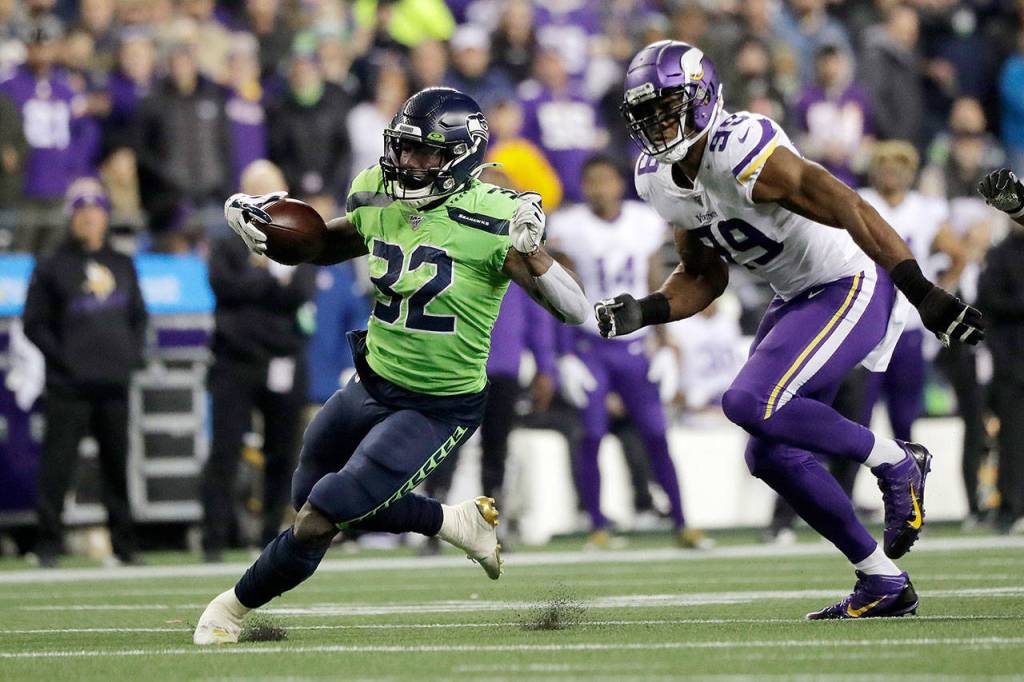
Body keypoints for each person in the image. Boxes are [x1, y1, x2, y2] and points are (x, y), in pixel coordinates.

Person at [597, 41, 983, 620]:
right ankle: (881, 579)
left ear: (702, 98)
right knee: (769, 455)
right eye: (646, 114)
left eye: (667, 108)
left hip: (850, 281)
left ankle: (896, 459)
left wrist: (919, 289)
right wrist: (647, 311)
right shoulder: (657, 179)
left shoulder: (740, 147)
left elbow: (850, 206)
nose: (657, 124)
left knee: (748, 401)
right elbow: (703, 275)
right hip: (796, 298)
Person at [193, 87, 589, 644]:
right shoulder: (376, 192)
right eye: (403, 147)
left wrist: (535, 253)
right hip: (373, 380)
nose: (407, 162)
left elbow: (575, 310)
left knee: (323, 513)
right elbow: (329, 245)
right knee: (309, 493)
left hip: (438, 403)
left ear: (461, 156)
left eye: (425, 152)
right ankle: (455, 522)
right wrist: (270, 231)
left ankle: (230, 610)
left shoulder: (496, 217)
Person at [548, 154, 709, 549]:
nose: (600, 189)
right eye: (592, 181)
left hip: (636, 345)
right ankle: (598, 525)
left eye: (606, 180)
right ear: (583, 186)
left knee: (657, 433)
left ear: (619, 184)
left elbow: (656, 282)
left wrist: (665, 341)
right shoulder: (570, 227)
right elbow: (560, 292)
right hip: (590, 344)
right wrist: (564, 353)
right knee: (592, 434)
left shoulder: (642, 221)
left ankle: (682, 522)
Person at [22, 177, 147, 567]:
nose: (89, 217)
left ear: (105, 216)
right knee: (57, 467)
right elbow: (34, 323)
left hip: (113, 383)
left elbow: (138, 317)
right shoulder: (51, 265)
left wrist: (129, 357)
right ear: (70, 216)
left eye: (95, 209)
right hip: (68, 385)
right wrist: (64, 361)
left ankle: (125, 547)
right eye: (81, 209)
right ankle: (47, 545)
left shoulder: (122, 263)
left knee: (117, 466)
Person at [201, 160, 317, 562]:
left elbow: (300, 291)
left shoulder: (298, 236)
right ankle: (215, 538)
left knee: (283, 452)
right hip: (235, 360)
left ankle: (270, 535)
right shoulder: (226, 241)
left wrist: (258, 282)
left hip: (283, 358)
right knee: (226, 449)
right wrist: (271, 280)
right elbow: (225, 287)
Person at [857, 141, 965, 442]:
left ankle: (905, 474)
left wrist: (939, 293)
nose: (892, 171)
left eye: (899, 165)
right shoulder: (860, 202)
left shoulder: (924, 209)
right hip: (865, 325)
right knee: (857, 417)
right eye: (885, 164)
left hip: (908, 326)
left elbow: (958, 255)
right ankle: (848, 475)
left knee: (904, 420)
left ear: (911, 172)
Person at [977, 168, 1024, 534]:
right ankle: (1011, 506)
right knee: (1011, 436)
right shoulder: (1000, 254)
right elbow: (989, 301)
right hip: (1012, 357)